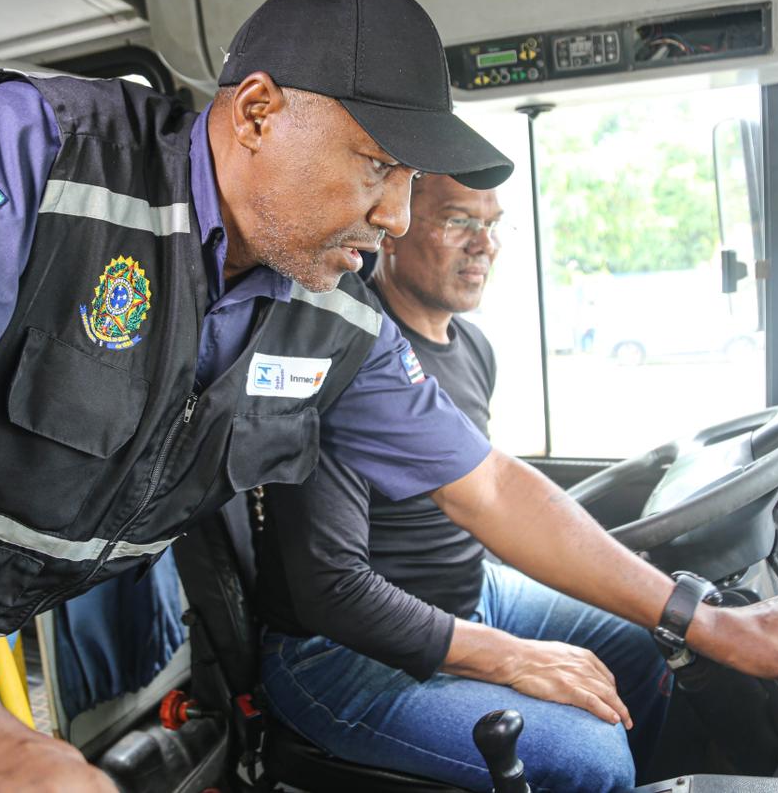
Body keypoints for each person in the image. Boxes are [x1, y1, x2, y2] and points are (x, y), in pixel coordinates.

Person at [0, 0, 778, 793]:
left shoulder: (327, 312)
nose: (398, 216)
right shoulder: (47, 150)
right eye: (378, 165)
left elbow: (490, 485)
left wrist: (709, 618)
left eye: (412, 181)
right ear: (257, 111)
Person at [257, 175, 667, 792]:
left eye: (491, 224)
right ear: (391, 229)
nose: (484, 245)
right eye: (457, 221)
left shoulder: (473, 347)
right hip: (341, 651)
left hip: (472, 594)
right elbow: (332, 591)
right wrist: (514, 656)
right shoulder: (345, 347)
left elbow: (488, 494)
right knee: (592, 756)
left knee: (650, 641)